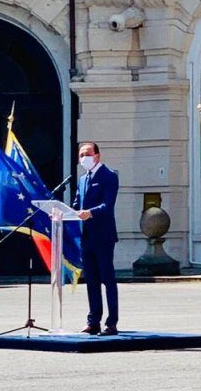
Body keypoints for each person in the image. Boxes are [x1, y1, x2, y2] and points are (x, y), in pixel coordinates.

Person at [75, 141, 119, 336]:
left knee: (107, 279)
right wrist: (62, 214)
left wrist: (90, 213)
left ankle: (112, 323)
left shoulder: (109, 176)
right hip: (87, 237)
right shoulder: (82, 179)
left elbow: (107, 205)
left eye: (87, 154)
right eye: (81, 155)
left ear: (97, 156)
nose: (83, 158)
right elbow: (77, 203)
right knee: (91, 280)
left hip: (103, 236)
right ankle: (93, 321)